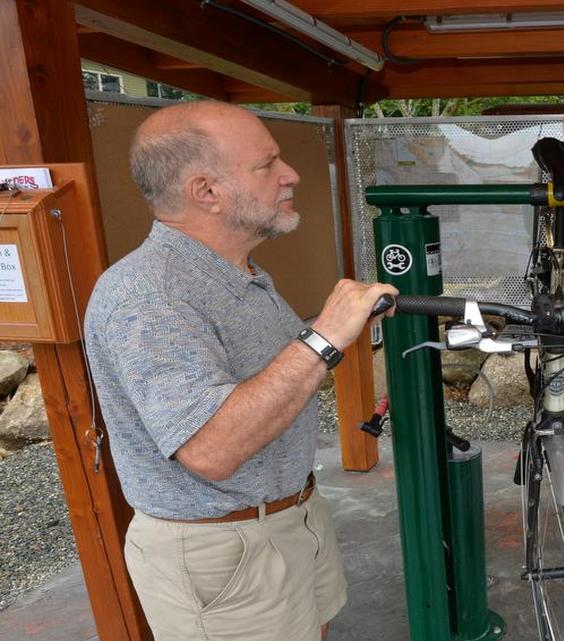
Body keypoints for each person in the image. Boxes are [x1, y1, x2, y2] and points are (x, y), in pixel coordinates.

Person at [84, 101, 397, 641]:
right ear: (206, 191)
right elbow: (211, 450)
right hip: (222, 551)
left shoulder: (238, 270)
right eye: (266, 165)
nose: (290, 174)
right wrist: (323, 337)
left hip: (289, 515)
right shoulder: (145, 294)